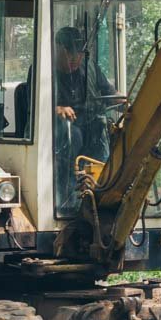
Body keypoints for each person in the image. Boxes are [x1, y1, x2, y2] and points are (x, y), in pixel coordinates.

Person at [53, 25, 116, 210]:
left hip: (90, 126)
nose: (75, 60)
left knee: (104, 133)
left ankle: (103, 195)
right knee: (73, 134)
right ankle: (66, 198)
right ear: (57, 48)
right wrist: (57, 109)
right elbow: (33, 104)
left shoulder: (89, 69)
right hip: (59, 132)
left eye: (79, 55)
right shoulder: (43, 71)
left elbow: (110, 93)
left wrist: (125, 100)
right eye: (70, 54)